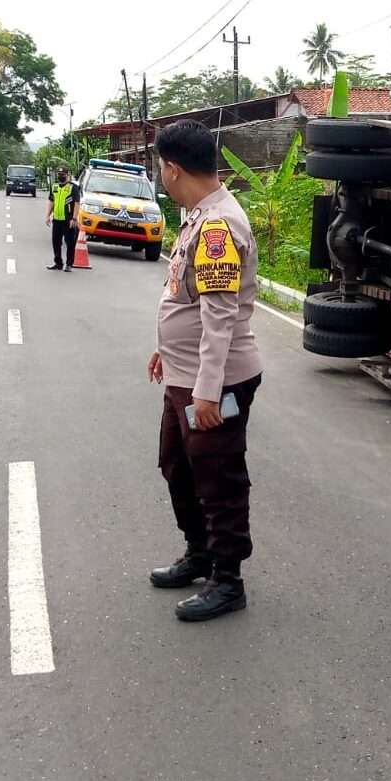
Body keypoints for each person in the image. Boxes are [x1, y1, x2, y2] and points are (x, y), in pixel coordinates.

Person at [146, 119, 263, 622]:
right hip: (185, 373)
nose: (161, 176)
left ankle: (228, 579)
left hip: (213, 381)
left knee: (217, 476)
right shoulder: (199, 214)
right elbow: (187, 300)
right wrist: (164, 350)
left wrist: (208, 394)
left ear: (172, 169)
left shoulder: (217, 226)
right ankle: (200, 553)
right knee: (178, 466)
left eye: (159, 168)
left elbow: (220, 317)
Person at [47, 168, 80, 272]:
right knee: (56, 242)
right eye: (59, 174)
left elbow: (77, 203)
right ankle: (58, 263)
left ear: (68, 175)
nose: (61, 176)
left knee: (70, 243)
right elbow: (51, 201)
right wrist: (47, 215)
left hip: (68, 220)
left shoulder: (73, 188)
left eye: (63, 174)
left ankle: (69, 264)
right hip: (57, 219)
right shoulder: (55, 187)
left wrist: (74, 218)